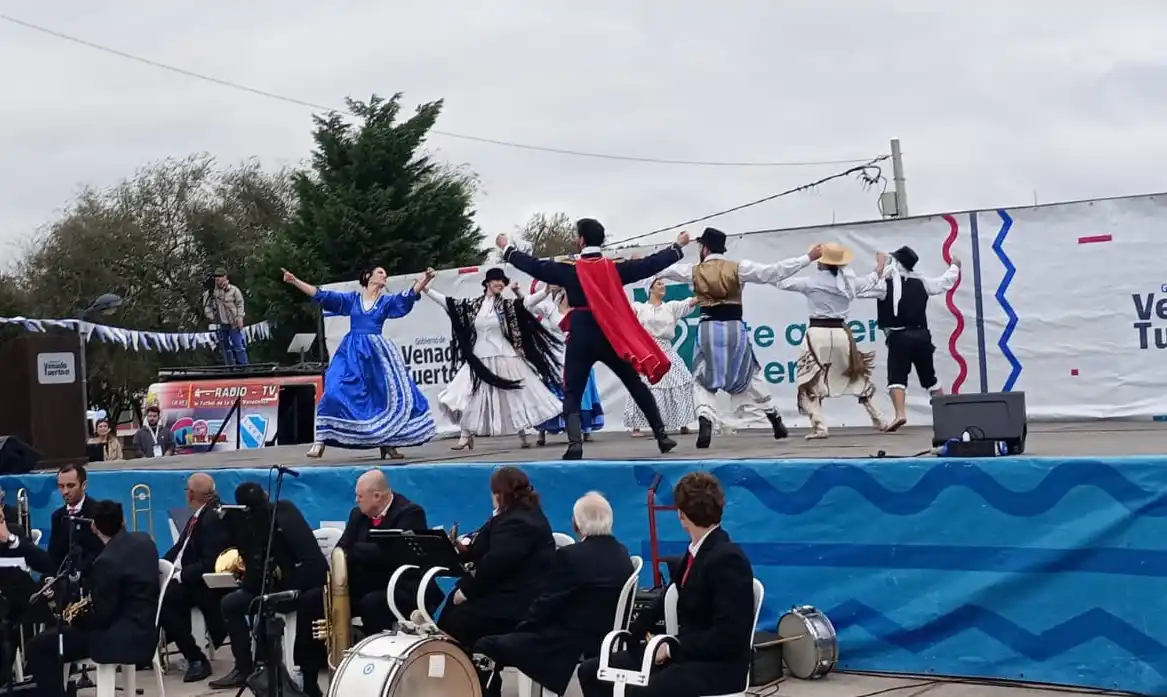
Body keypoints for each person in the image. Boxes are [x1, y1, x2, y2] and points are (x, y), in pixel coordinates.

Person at [496, 221, 689, 459]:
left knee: (572, 391)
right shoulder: (614, 268)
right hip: (609, 333)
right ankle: (662, 436)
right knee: (633, 383)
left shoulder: (568, 269)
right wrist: (677, 247)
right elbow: (648, 265)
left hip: (581, 331)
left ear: (581, 240)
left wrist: (507, 249)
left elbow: (534, 266)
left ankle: (575, 444)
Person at [577, 472, 756, 697]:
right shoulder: (697, 550)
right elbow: (670, 593)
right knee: (592, 671)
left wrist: (671, 647)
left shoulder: (728, 559)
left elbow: (729, 636)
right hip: (686, 654)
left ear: (681, 515)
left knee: (639, 691)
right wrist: (637, 631)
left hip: (717, 666)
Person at [655, 227, 821, 448]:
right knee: (750, 372)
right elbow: (774, 272)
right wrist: (807, 258)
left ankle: (705, 419)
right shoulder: (739, 268)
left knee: (703, 377)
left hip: (708, 328)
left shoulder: (693, 270)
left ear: (705, 248)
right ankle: (774, 418)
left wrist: (645, 261)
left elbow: (662, 269)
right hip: (734, 327)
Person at [476, 492, 634, 697]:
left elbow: (547, 605)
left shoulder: (570, 556)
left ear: (576, 524)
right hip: (604, 638)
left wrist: (519, 629)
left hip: (564, 643)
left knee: (485, 646)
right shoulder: (622, 553)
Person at [282, 265, 438, 460]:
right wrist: (295, 281)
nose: (384, 275)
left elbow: (407, 297)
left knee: (382, 397)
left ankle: (387, 443)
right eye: (380, 272)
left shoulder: (385, 301)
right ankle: (320, 440)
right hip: (351, 351)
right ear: (368, 276)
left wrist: (425, 279)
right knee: (333, 389)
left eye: (385, 273)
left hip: (375, 353)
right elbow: (322, 295)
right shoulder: (353, 300)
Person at [26, 500, 161, 697]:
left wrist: (77, 617)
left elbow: (103, 616)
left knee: (38, 646)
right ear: (123, 521)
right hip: (146, 630)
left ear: (94, 527)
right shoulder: (144, 540)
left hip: (117, 639)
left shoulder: (106, 562)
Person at [438, 467, 555, 693]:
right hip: (508, 593)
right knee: (454, 607)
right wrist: (463, 549)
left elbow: (496, 564)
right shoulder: (516, 515)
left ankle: (472, 681)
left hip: (520, 604)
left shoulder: (518, 523)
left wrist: (467, 590)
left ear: (499, 494)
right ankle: (466, 678)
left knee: (459, 619)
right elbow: (488, 548)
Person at [423, 267, 564, 450]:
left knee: (514, 395)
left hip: (504, 356)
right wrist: (425, 287)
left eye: (503, 281)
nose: (500, 284)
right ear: (487, 283)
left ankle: (522, 435)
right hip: (479, 358)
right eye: (497, 280)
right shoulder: (473, 305)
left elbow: (527, 301)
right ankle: (465, 436)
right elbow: (448, 302)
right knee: (469, 394)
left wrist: (545, 291)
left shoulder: (507, 306)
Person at [209, 483, 328, 696]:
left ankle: (277, 670)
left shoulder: (284, 515)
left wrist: (283, 578)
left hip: (297, 587)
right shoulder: (249, 523)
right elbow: (255, 562)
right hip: (265, 585)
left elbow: (313, 563)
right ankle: (244, 668)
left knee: (266, 607)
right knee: (230, 604)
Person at [777, 242, 888, 438]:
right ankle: (880, 419)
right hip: (841, 334)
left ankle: (820, 427)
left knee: (808, 379)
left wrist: (806, 259)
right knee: (855, 375)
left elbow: (781, 280)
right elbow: (872, 279)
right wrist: (880, 263)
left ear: (820, 262)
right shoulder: (849, 283)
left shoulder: (811, 282)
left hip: (817, 334)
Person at [337, 469, 443, 634]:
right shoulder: (357, 514)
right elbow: (341, 550)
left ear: (377, 496)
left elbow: (396, 555)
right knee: (317, 598)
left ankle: (376, 648)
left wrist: (357, 548)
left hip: (402, 586)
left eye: (360, 496)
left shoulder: (410, 513)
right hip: (367, 582)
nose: (356, 500)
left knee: (371, 603)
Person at [869, 246, 962, 431]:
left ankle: (900, 414)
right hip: (922, 336)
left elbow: (864, 287)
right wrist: (955, 266)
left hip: (899, 337)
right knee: (929, 378)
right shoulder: (922, 283)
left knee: (896, 377)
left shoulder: (885, 285)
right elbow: (944, 282)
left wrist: (878, 267)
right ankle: (946, 416)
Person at [159, 473, 230, 682]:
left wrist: (180, 575)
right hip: (184, 573)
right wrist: (159, 566)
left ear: (190, 494)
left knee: (167, 600)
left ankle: (196, 658)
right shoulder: (200, 514)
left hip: (204, 583)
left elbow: (210, 561)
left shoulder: (213, 518)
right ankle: (149, 649)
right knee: (148, 588)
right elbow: (180, 548)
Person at [522, 283, 605, 446]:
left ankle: (584, 428)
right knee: (551, 389)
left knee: (582, 388)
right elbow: (527, 305)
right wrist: (542, 291)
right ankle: (543, 430)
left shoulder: (581, 306)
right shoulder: (549, 306)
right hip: (555, 354)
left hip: (576, 350)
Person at [625, 278, 698, 437]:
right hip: (647, 351)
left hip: (666, 349)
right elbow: (622, 311)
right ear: (650, 289)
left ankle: (682, 422)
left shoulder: (670, 307)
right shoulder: (639, 307)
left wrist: (709, 289)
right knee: (642, 384)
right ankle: (636, 425)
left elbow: (690, 302)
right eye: (659, 284)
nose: (663, 286)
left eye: (663, 284)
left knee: (681, 379)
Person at [47, 464, 103, 573]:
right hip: (64, 577)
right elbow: (54, 554)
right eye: (61, 486)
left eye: (70, 486)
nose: (65, 491)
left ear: (84, 485)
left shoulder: (98, 512)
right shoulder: (57, 516)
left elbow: (101, 552)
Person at [203, 266, 249, 366]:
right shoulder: (210, 292)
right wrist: (211, 316)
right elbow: (206, 307)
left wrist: (240, 317)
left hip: (233, 322)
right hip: (220, 323)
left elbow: (240, 304)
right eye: (216, 276)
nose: (218, 278)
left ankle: (244, 366)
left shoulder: (234, 290)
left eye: (220, 276)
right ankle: (230, 367)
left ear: (225, 277)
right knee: (224, 347)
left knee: (238, 345)